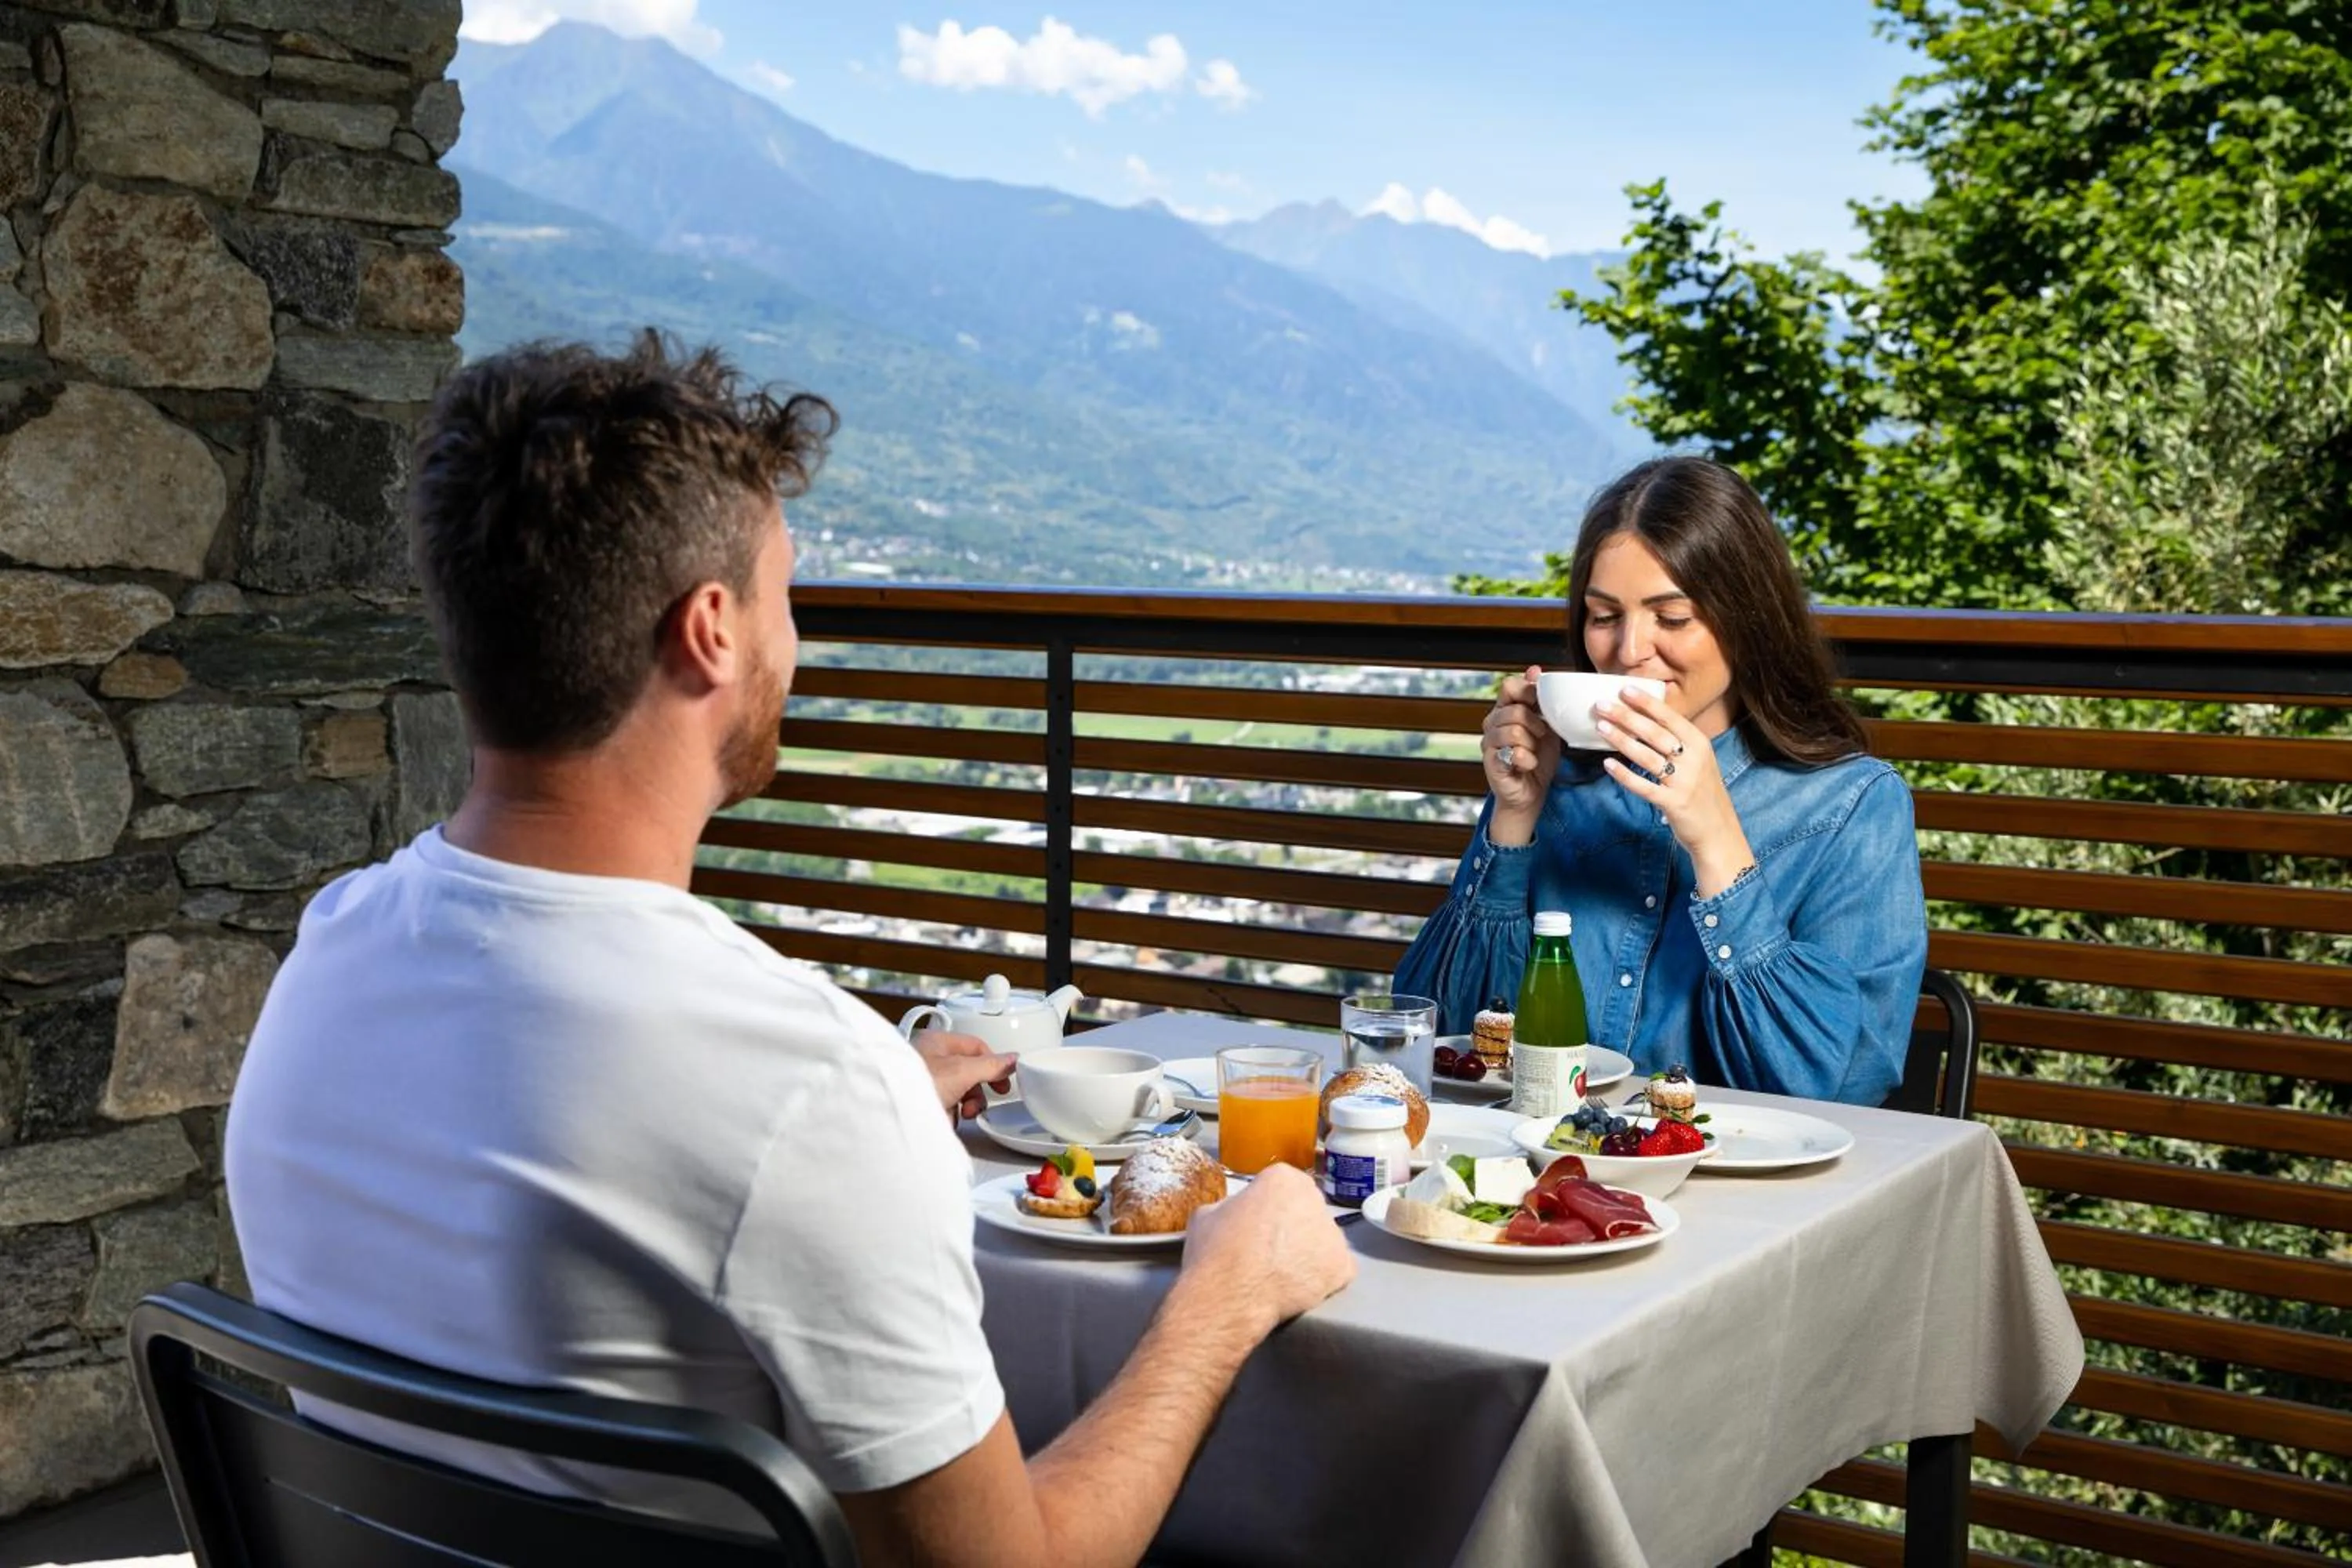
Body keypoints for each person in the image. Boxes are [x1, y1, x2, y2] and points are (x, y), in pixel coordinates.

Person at [224, 332, 1353, 1566]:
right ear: (711, 628)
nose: (793, 640)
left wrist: (866, 1116)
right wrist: (1224, 1301)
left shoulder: (327, 959)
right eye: (784, 594)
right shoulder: (803, 1085)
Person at [1393, 456, 1927, 1104]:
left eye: (1672, 619)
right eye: (1603, 616)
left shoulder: (1852, 805)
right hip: (1543, 1173)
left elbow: (1845, 1090)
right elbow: (1442, 1044)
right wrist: (1512, 819)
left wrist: (1718, 846)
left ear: (1748, 620)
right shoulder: (1558, 785)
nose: (1628, 651)